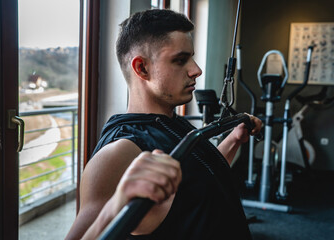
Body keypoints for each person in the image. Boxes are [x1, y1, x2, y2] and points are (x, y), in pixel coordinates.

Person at [66, 8, 261, 240]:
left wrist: (234, 139)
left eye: (191, 57)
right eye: (180, 60)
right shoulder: (119, 152)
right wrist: (115, 205)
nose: (196, 70)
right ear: (142, 68)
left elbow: (198, 180)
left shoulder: (174, 124)